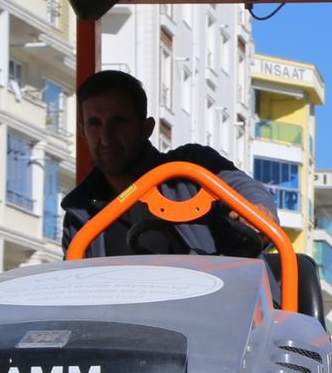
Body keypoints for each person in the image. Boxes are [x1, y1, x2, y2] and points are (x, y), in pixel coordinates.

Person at [61, 70, 280, 258]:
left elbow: (243, 187)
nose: (106, 138)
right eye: (95, 124)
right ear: (82, 132)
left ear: (146, 128)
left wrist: (257, 213)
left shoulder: (191, 169)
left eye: (119, 123)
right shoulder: (79, 214)